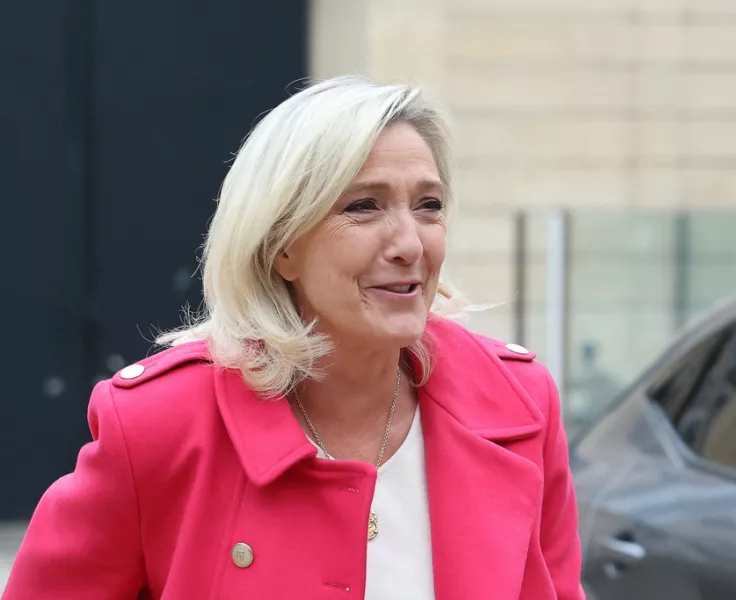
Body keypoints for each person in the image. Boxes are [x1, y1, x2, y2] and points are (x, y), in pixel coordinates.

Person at [3, 75, 584, 600]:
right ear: (281, 245)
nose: (410, 243)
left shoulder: (522, 407)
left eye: (428, 205)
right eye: (364, 206)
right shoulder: (161, 425)